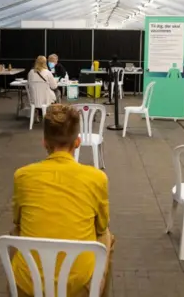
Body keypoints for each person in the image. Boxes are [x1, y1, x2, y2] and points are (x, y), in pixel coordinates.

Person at [11, 104, 114, 297]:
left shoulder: (22, 175)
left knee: (16, 231)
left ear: (44, 142)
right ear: (77, 142)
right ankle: (97, 287)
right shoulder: (97, 177)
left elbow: (17, 222)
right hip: (77, 285)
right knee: (107, 236)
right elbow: (101, 227)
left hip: (28, 285)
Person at [27, 55, 58, 122]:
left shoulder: (31, 72)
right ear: (45, 62)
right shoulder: (47, 72)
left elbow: (29, 84)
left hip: (34, 99)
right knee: (57, 94)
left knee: (40, 97)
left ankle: (37, 113)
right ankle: (53, 116)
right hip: (46, 99)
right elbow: (54, 86)